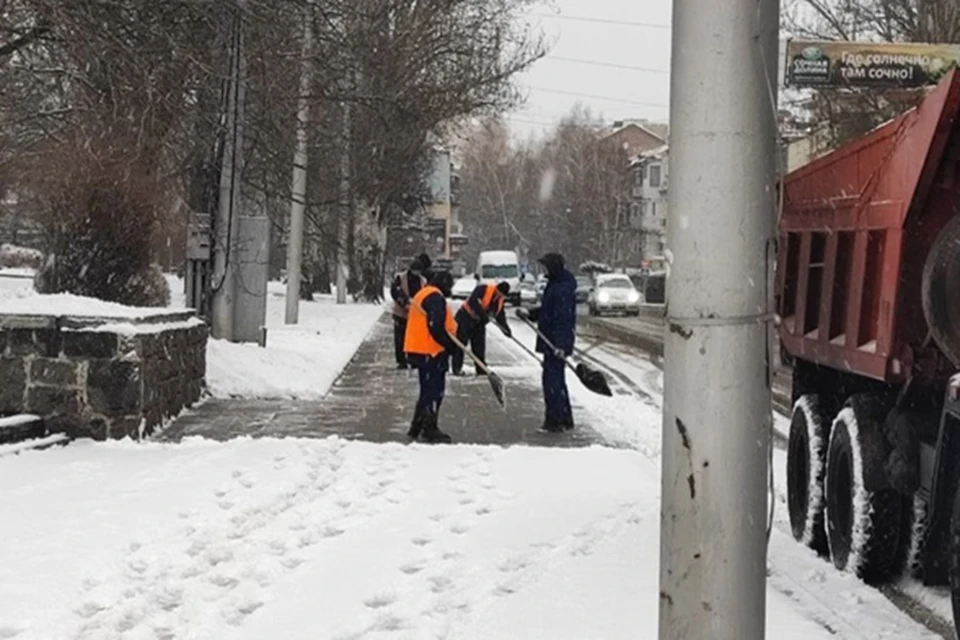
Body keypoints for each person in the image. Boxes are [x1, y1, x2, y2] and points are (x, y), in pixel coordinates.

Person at [517, 253, 577, 432]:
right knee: (557, 381)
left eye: (546, 267)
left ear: (554, 267)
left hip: (555, 343)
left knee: (552, 382)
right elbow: (548, 311)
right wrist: (531, 314)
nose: (544, 270)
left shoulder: (562, 289)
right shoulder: (555, 284)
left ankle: (555, 420)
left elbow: (563, 319)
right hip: (551, 340)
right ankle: (564, 418)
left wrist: (560, 345)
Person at [404, 269, 460, 443]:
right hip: (431, 350)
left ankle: (417, 426)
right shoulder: (435, 297)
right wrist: (449, 346)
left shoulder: (424, 293)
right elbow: (436, 326)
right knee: (435, 391)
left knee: (427, 389)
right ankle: (430, 428)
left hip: (420, 349)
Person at [452, 281, 512, 376]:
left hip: (479, 323)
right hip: (465, 318)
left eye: (502, 295)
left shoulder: (499, 300)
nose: (500, 296)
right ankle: (457, 368)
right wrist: (483, 315)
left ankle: (480, 368)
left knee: (479, 346)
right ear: (497, 289)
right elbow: (473, 302)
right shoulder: (483, 289)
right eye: (500, 293)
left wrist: (505, 329)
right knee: (461, 344)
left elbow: (500, 316)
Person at [390, 258, 427, 369]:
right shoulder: (400, 278)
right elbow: (395, 291)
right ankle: (401, 360)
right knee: (400, 337)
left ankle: (414, 358)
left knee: (414, 337)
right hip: (401, 313)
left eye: (419, 271)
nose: (417, 273)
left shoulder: (423, 281)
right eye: (415, 270)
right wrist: (404, 302)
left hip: (416, 314)